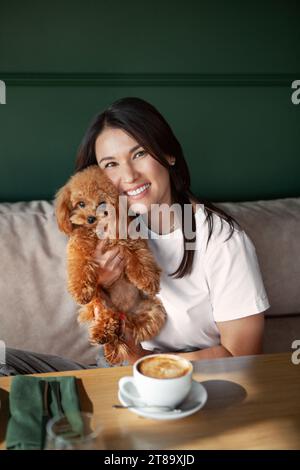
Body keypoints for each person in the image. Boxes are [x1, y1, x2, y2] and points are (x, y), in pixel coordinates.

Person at [0, 97, 269, 376]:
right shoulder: (109, 228)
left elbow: (243, 356)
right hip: (116, 369)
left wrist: (150, 363)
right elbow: (114, 342)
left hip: (186, 379)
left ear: (168, 154)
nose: (128, 175)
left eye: (139, 154)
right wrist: (102, 288)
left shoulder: (221, 239)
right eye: (111, 164)